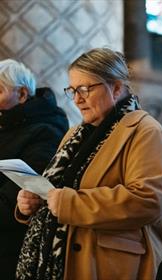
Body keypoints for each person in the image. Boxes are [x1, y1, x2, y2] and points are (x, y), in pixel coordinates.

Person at [14, 48, 162, 280]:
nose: (78, 99)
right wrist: (32, 202)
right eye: (72, 90)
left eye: (85, 89)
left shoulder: (146, 132)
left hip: (108, 265)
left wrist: (70, 204)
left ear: (117, 87)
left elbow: (148, 200)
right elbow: (55, 190)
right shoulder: (74, 135)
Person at [0, 59, 68, 279]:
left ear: (21, 94)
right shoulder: (7, 125)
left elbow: (19, 198)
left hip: (10, 248)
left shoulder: (45, 131)